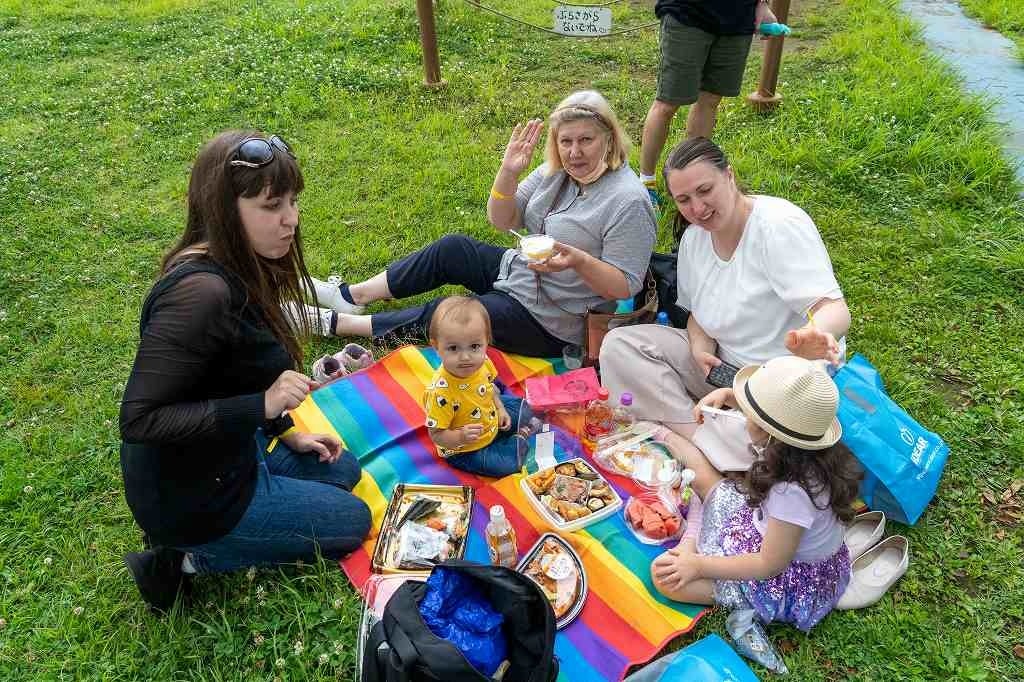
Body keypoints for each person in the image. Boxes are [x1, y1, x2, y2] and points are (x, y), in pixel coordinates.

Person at [119, 131, 371, 611]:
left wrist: (286, 431)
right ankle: (181, 559)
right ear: (223, 209)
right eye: (272, 205)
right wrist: (262, 406)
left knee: (343, 470)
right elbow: (140, 420)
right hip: (193, 497)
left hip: (228, 453)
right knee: (353, 521)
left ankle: (260, 481)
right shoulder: (199, 295)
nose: (291, 219)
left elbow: (240, 370)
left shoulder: (245, 262)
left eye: (292, 201)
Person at [301, 90, 657, 358]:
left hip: (555, 319)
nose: (574, 152)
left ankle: (340, 325)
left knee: (458, 314)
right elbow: (502, 220)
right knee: (453, 249)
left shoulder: (627, 200)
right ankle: (352, 296)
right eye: (566, 141)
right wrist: (508, 172)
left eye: (586, 140)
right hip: (520, 274)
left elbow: (624, 285)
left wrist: (578, 260)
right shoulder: (557, 172)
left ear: (609, 138)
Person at [600, 137, 850, 437]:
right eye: (683, 200)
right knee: (619, 346)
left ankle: (689, 438)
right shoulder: (694, 238)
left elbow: (834, 309)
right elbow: (696, 317)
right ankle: (699, 434)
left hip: (780, 383)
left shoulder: (778, 226)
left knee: (765, 437)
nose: (697, 208)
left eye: (705, 190)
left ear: (729, 175)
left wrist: (813, 334)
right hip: (722, 369)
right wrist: (699, 347)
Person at [650, 356, 862, 632]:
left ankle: (696, 545)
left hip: (784, 580)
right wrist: (729, 396)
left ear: (766, 431)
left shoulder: (791, 491)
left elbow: (768, 565)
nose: (743, 415)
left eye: (748, 412)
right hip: (765, 532)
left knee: (665, 579)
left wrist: (699, 566)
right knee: (707, 483)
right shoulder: (804, 452)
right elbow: (779, 418)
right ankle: (660, 435)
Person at [639, 0, 777, 203]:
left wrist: (761, 4)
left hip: (738, 21)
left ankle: (692, 176)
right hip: (687, 14)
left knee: (710, 99)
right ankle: (646, 184)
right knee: (667, 104)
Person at [422, 296, 531, 477]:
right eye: (453, 348)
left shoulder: (483, 362)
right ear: (436, 347)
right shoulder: (440, 393)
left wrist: (500, 409)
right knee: (508, 465)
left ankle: (513, 435)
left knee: (525, 408)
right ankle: (518, 438)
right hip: (466, 448)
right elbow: (436, 434)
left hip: (490, 418)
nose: (465, 357)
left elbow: (490, 389)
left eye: (474, 346)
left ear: (486, 341)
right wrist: (459, 437)